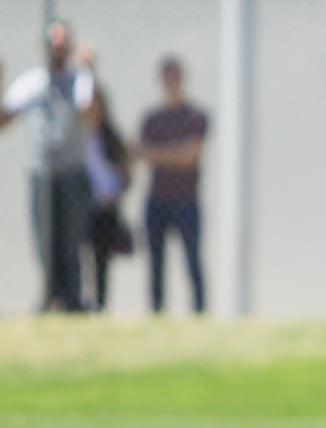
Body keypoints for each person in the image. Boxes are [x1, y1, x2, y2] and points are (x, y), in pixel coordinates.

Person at [0, 19, 95, 312]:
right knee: (44, 239)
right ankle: (49, 297)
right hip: (41, 174)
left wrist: (89, 70)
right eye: (54, 43)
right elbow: (5, 118)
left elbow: (90, 114)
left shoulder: (79, 81)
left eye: (63, 44)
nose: (58, 49)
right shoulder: (32, 82)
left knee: (71, 240)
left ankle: (73, 300)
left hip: (71, 173)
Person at [137, 55, 209, 314]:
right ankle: (156, 312)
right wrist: (174, 154)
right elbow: (139, 153)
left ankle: (199, 312)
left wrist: (158, 154)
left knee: (192, 260)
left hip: (187, 201)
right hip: (157, 200)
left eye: (175, 77)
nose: (171, 83)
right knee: (156, 263)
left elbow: (191, 157)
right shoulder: (151, 119)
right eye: (167, 78)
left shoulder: (196, 116)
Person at [79, 44, 133, 311]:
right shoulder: (77, 138)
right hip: (81, 205)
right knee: (78, 257)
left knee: (101, 259)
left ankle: (100, 304)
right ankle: (78, 302)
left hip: (105, 207)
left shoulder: (111, 137)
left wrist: (116, 194)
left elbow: (126, 172)